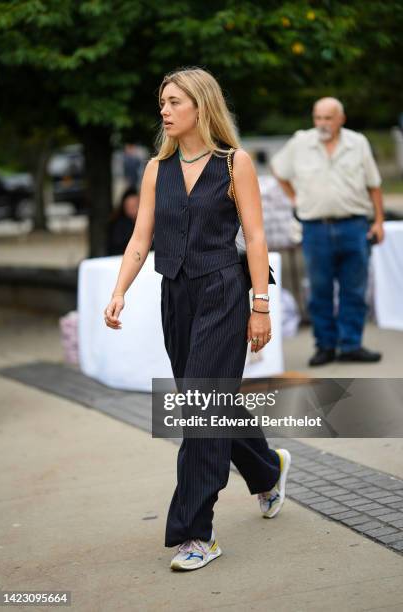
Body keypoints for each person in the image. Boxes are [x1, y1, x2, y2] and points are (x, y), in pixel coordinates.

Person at [103, 67, 291, 571]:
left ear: (200, 107)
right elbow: (140, 239)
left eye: (173, 101)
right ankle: (267, 470)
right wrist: (119, 290)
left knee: (199, 413)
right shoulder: (155, 169)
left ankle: (195, 533)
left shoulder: (235, 164)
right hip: (176, 296)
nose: (163, 111)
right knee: (207, 401)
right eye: (162, 102)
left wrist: (260, 306)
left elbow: (254, 238)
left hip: (224, 293)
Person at [271, 97, 385, 366]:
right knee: (319, 290)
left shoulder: (357, 143)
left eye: (328, 118)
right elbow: (279, 169)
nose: (322, 123)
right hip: (315, 229)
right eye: (317, 117)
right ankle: (325, 346)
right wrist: (294, 198)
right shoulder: (300, 143)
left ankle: (351, 345)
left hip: (354, 226)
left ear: (341, 119)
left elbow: (375, 185)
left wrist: (378, 221)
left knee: (354, 290)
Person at [107, 187, 140, 256]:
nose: (133, 210)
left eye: (135, 206)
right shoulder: (119, 227)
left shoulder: (143, 223)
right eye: (130, 207)